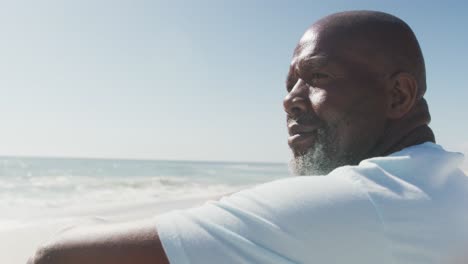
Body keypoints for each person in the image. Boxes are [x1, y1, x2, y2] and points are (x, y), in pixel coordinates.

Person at [29, 10, 468, 264]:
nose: (290, 101)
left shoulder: (365, 202)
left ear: (398, 94)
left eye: (318, 76)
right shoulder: (443, 182)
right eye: (289, 83)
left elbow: (56, 256)